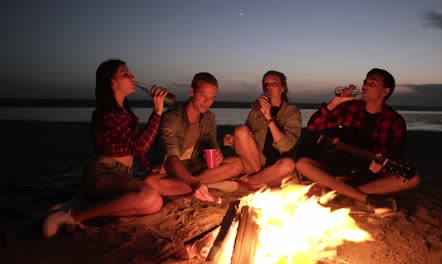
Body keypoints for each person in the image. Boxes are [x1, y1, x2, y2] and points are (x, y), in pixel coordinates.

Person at [43, 59, 189, 238]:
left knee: (155, 203)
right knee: (149, 197)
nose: (133, 76)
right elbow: (140, 145)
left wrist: (149, 167)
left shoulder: (126, 113)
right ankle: (71, 216)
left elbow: (134, 149)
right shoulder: (107, 115)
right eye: (125, 74)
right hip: (102, 172)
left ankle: (85, 205)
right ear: (112, 82)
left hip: (122, 174)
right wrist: (157, 112)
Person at [296, 68, 421, 211]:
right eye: (365, 82)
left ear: (385, 92)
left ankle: (341, 193)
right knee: (302, 164)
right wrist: (336, 101)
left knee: (414, 178)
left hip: (367, 176)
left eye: (372, 83)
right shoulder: (351, 108)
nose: (365, 86)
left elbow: (394, 155)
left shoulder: (395, 121)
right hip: (339, 170)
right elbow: (314, 125)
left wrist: (383, 165)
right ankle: (360, 197)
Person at [158, 72, 244, 201]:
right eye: (202, 95)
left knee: (238, 164)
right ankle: (199, 185)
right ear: (192, 92)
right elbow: (172, 159)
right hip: (173, 168)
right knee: (152, 182)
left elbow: (213, 147)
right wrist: (193, 182)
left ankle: (189, 186)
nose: (207, 102)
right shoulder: (172, 117)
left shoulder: (209, 118)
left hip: (195, 166)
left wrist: (218, 155)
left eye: (211, 98)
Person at [223, 70, 302, 188]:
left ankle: (252, 181)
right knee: (240, 129)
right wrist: (232, 141)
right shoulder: (255, 112)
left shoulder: (292, 112)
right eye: (266, 84)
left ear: (283, 88)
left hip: (276, 170)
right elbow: (246, 142)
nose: (268, 87)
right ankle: (259, 179)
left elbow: (285, 146)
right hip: (257, 166)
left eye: (273, 84)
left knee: (288, 165)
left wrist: (269, 118)